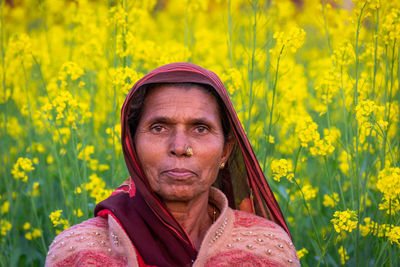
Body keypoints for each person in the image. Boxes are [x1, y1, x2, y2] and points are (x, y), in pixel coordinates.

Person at [45, 63, 300, 266]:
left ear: (225, 151)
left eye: (200, 128)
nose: (179, 147)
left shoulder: (266, 249)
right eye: (159, 128)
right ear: (132, 147)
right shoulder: (78, 252)